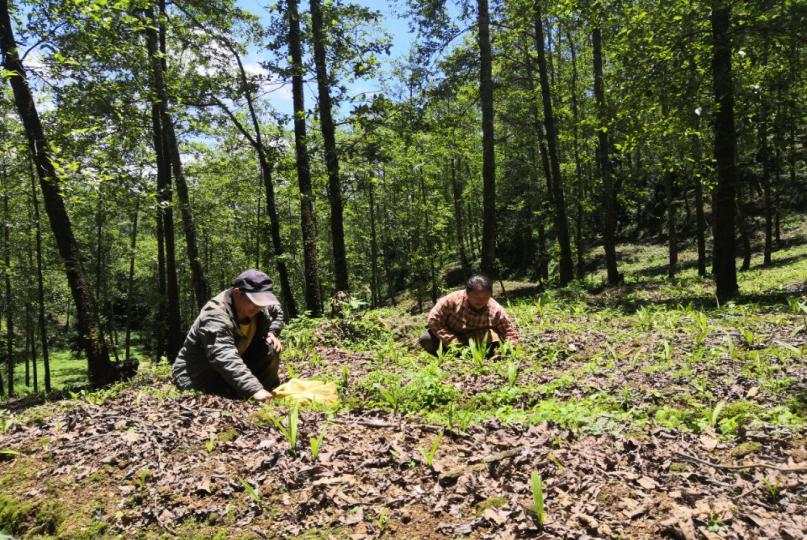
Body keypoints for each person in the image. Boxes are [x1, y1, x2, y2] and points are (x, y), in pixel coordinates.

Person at [173, 269, 284, 401]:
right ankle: (253, 391)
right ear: (237, 293)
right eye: (255, 301)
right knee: (220, 395)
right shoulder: (215, 314)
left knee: (270, 346)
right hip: (197, 374)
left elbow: (277, 312)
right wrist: (253, 389)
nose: (259, 306)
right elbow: (223, 354)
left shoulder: (257, 308)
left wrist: (272, 332)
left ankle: (265, 390)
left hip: (232, 366)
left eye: (262, 301)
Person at [419, 275, 520, 357]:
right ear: (467, 293)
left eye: (485, 297)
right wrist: (451, 340)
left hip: (477, 337)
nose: (480, 301)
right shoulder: (451, 300)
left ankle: (483, 355)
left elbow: (509, 332)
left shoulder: (495, 310)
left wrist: (508, 349)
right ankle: (449, 356)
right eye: (476, 297)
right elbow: (434, 319)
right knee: (426, 339)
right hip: (450, 335)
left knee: (492, 340)